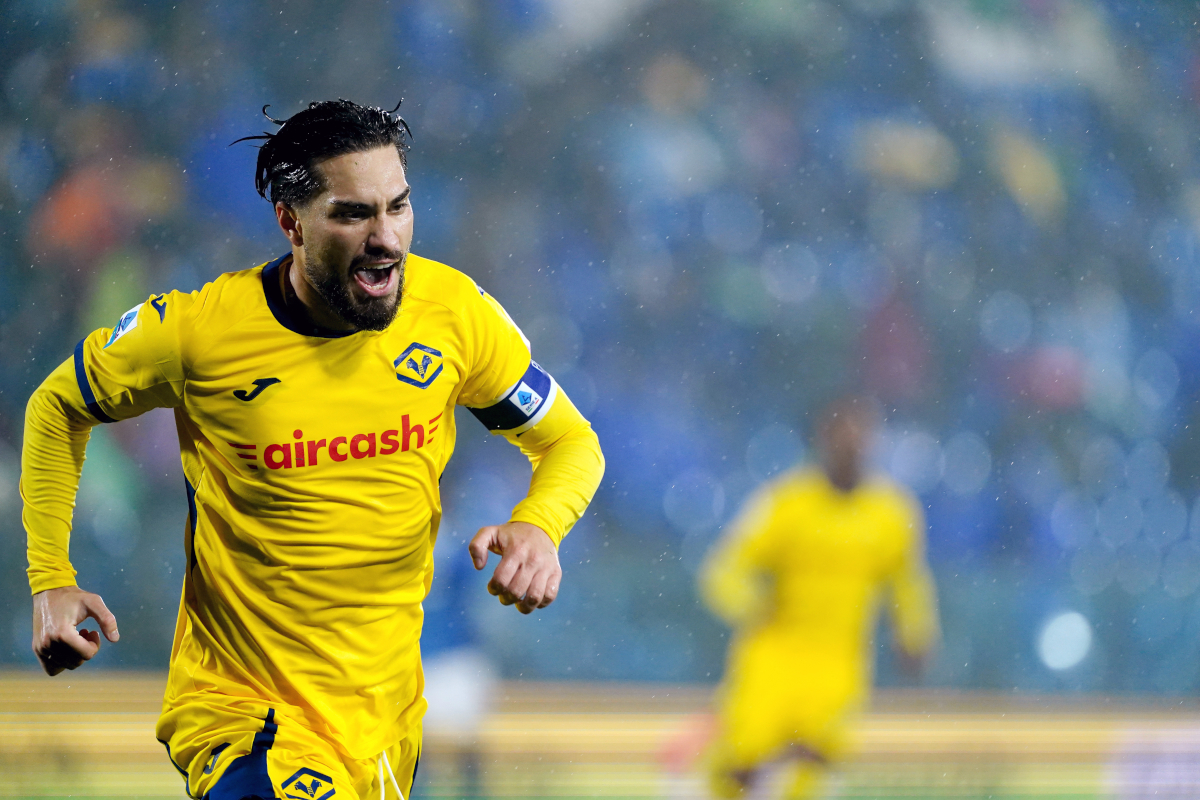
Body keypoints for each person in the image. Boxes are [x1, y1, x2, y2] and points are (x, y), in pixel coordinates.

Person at [21, 99, 605, 800]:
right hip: (248, 717)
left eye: (399, 207)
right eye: (354, 214)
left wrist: (541, 525)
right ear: (291, 222)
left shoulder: (453, 316)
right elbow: (57, 406)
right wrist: (50, 574)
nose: (387, 238)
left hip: (383, 723)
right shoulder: (198, 333)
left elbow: (570, 440)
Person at [698, 397, 937, 798]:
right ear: (824, 438)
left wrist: (915, 634)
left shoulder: (891, 513)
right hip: (774, 654)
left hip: (839, 661)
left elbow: (908, 582)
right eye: (843, 433)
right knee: (740, 763)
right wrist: (751, 604)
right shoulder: (787, 503)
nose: (852, 443)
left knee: (813, 766)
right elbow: (725, 568)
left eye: (860, 434)